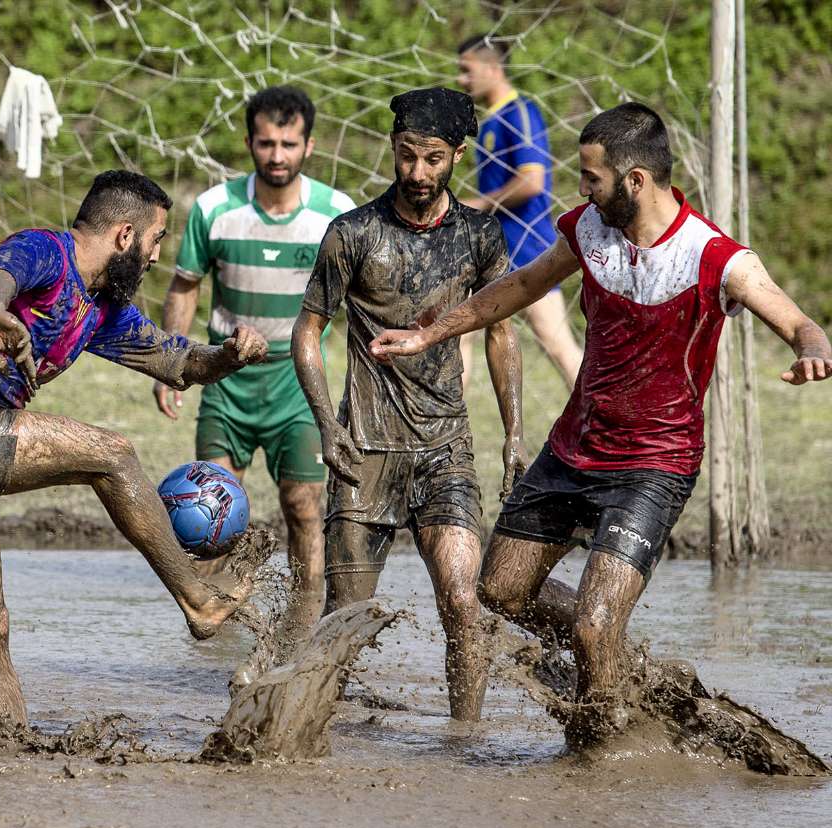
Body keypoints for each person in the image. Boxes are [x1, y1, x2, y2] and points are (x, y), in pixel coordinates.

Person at [369, 102, 832, 741]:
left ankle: (601, 751)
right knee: (500, 592)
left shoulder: (717, 257)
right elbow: (524, 284)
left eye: (592, 177)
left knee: (592, 625)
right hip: (573, 448)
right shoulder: (589, 228)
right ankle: (618, 661)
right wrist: (431, 333)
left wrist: (810, 347)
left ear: (635, 180)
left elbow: (797, 319)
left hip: (655, 463)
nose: (582, 189)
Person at [0, 170, 272, 732]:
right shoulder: (46, 251)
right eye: (155, 240)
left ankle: (11, 744)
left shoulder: (102, 308)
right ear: (124, 236)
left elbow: (178, 363)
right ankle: (198, 601)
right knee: (112, 454)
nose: (157, 257)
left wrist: (232, 354)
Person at [292, 88, 528, 721]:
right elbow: (307, 332)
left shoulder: (480, 235)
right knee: (342, 619)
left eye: (431, 159)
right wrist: (325, 421)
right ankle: (308, 736)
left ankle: (465, 735)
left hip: (445, 449)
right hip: (363, 449)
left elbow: (502, 331)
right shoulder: (353, 234)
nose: (417, 174)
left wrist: (514, 435)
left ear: (457, 154)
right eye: (405, 157)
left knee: (462, 600)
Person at [155, 85, 356, 642]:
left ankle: (301, 629)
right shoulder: (214, 209)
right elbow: (185, 286)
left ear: (309, 145)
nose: (276, 155)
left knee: (304, 508)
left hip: (297, 385)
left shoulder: (336, 215)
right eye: (265, 143)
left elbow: (360, 299)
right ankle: (208, 630)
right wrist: (174, 360)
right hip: (226, 382)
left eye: (288, 144)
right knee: (205, 514)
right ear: (249, 142)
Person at [457, 33, 583, 390]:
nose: (461, 80)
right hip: (492, 249)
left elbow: (532, 182)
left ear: (492, 67)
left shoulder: (520, 113)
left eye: (466, 71)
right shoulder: (491, 121)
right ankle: (448, 432)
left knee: (555, 343)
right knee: (459, 334)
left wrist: (480, 203)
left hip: (528, 246)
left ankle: (605, 424)